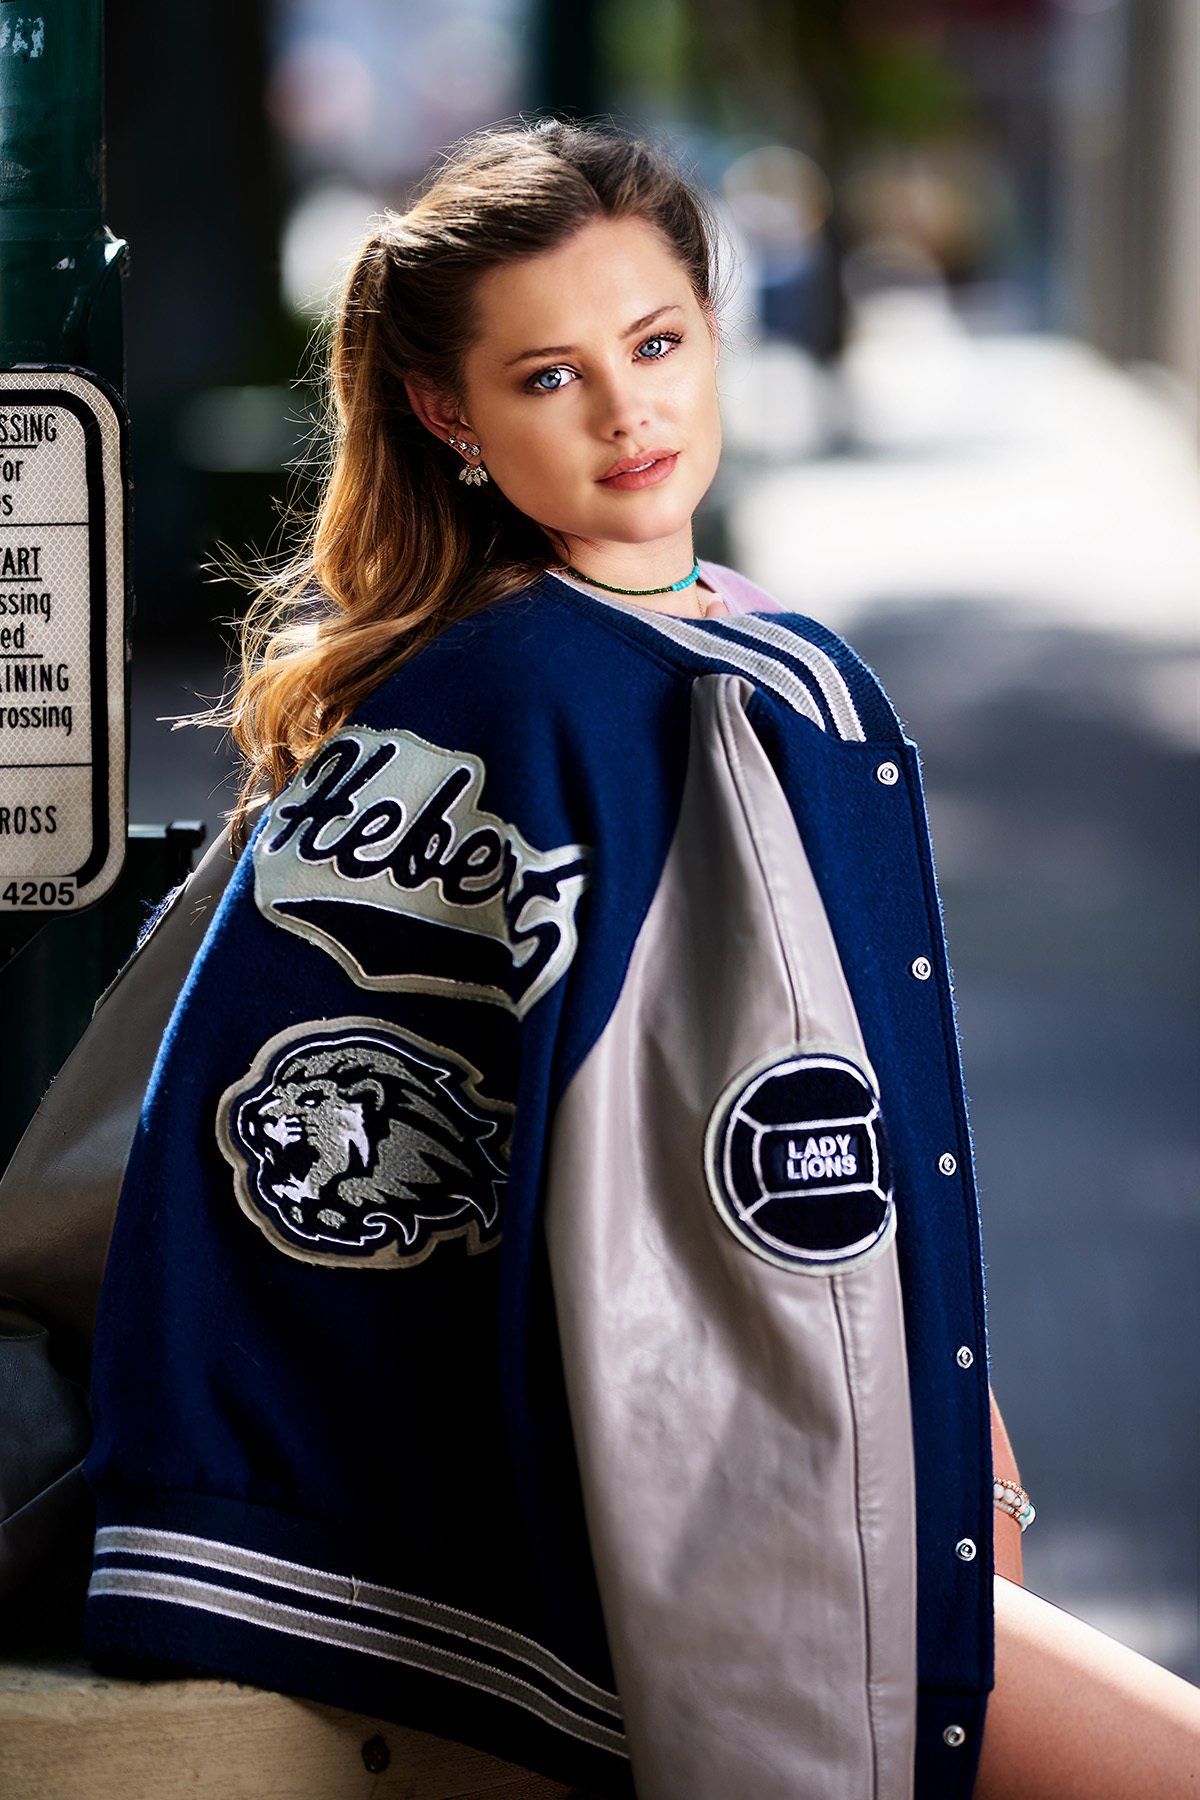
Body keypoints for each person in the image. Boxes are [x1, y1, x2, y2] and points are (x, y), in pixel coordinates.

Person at [79, 117, 1200, 1798]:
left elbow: (829, 1125)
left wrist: (965, 1437)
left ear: (711, 328)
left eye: (656, 342)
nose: (629, 412)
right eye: (549, 377)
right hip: (584, 1492)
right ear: (446, 414)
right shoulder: (541, 696)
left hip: (702, 1432)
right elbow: (717, 1170)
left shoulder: (703, 649)